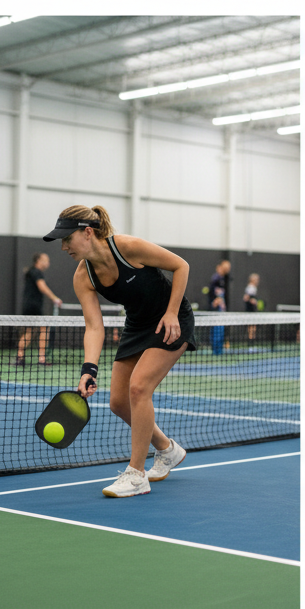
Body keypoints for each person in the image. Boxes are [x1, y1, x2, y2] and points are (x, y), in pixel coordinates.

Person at [43, 204, 196, 498]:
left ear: (87, 233)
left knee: (139, 389)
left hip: (170, 321)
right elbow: (94, 327)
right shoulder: (83, 277)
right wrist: (89, 369)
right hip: (137, 326)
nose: (63, 247)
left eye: (67, 238)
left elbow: (181, 265)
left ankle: (137, 475)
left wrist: (173, 312)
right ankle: (167, 450)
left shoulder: (127, 247)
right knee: (118, 402)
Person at [16, 253, 62, 367]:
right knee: (43, 329)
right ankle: (41, 359)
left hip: (29, 305)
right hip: (33, 306)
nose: (48, 263)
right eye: (45, 260)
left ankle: (20, 357)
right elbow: (42, 286)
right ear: (38, 261)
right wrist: (54, 298)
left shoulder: (31, 272)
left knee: (30, 331)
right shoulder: (36, 272)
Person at [209, 259, 230, 354]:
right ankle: (216, 350)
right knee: (216, 331)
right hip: (216, 311)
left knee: (220, 331)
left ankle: (219, 350)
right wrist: (216, 301)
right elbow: (213, 296)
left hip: (221, 311)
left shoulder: (224, 279)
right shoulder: (215, 279)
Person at [243, 272, 261, 346]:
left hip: (252, 310)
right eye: (256, 279)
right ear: (252, 279)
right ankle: (250, 344)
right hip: (250, 310)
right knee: (251, 327)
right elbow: (245, 298)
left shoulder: (253, 288)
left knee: (253, 327)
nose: (257, 281)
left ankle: (252, 343)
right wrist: (252, 301)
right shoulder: (251, 288)